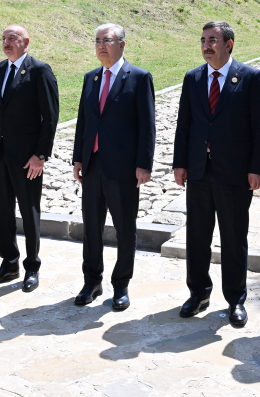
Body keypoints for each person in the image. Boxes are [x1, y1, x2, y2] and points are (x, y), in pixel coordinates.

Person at [173, 21, 260, 328]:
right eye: (203, 40)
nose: (206, 45)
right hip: (199, 170)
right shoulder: (193, 78)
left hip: (235, 173)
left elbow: (259, 127)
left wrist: (257, 168)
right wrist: (180, 163)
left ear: (229, 44)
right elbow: (184, 123)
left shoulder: (250, 77)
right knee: (197, 236)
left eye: (212, 40)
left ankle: (235, 299)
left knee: (233, 237)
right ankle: (198, 293)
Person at [72, 23, 155, 311]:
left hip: (123, 168)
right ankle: (91, 282)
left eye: (106, 40)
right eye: (97, 41)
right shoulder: (91, 78)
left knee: (124, 229)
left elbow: (147, 124)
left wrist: (144, 164)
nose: (101, 46)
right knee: (91, 227)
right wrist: (78, 158)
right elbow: (84, 121)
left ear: (122, 44)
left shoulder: (139, 77)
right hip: (93, 165)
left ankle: (121, 285)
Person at [0, 25, 60, 292]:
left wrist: (40, 155)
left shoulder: (39, 70)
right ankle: (9, 263)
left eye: (12, 38)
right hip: (0, 155)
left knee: (29, 210)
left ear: (26, 42)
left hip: (27, 158)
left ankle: (32, 266)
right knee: (2, 211)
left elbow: (50, 117)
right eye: (4, 38)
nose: (6, 42)